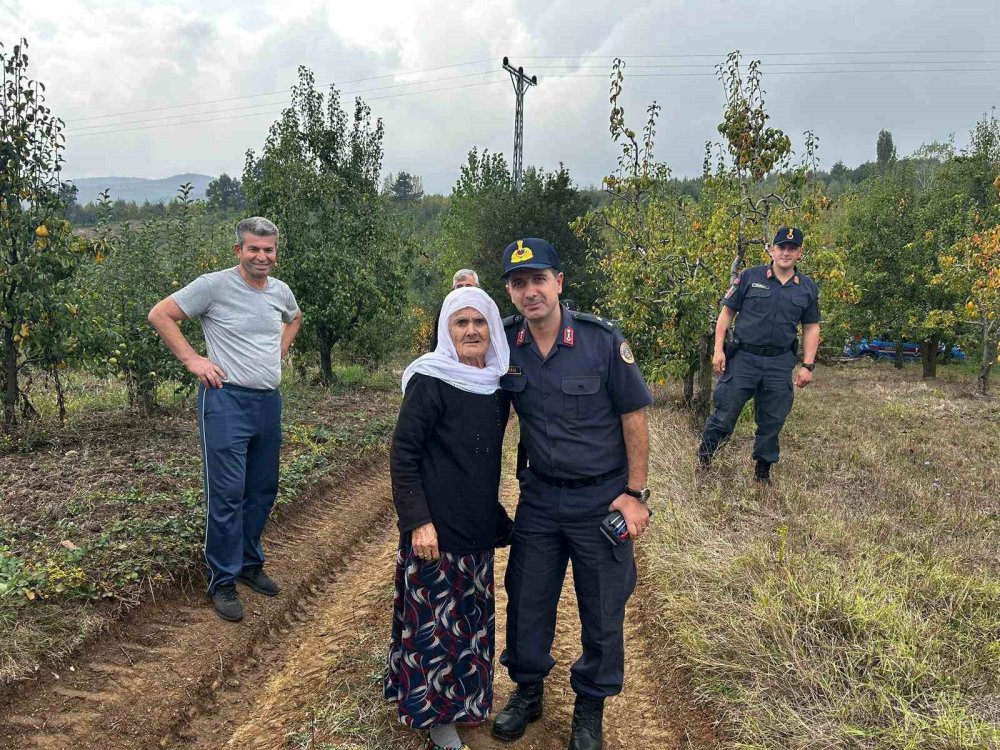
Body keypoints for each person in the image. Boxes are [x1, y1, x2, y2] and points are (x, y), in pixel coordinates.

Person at [492, 238, 653, 750]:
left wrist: (635, 494)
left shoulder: (600, 341)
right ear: (511, 293)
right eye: (519, 283)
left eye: (538, 279)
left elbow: (635, 417)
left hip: (600, 499)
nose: (529, 291)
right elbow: (459, 360)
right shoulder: (505, 342)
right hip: (539, 498)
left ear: (559, 282)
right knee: (527, 598)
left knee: (603, 608)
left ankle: (590, 706)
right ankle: (528, 691)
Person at [148, 217, 302, 622]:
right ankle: (223, 580)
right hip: (225, 401)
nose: (261, 256)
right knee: (228, 493)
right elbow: (161, 314)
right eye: (253, 248)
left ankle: (250, 564)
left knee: (263, 490)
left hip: (268, 402)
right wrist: (193, 359)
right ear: (238, 251)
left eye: (268, 249)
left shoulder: (280, 292)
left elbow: (295, 317)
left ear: (276, 252)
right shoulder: (213, 286)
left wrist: (277, 353)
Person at [385, 286, 513, 750]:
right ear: (447, 329)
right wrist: (418, 521)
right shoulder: (430, 379)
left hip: (475, 525)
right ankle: (436, 717)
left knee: (472, 619)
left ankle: (467, 703)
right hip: (434, 531)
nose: (472, 331)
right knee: (434, 624)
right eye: (461, 323)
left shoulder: (497, 383)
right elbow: (403, 455)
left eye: (480, 322)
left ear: (492, 327)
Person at [697, 226, 820, 483]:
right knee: (724, 413)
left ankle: (763, 472)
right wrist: (718, 349)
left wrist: (808, 365)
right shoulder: (749, 276)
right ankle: (705, 459)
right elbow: (727, 314)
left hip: (778, 362)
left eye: (792, 248)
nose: (786, 252)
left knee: (772, 420)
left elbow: (811, 327)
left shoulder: (807, 288)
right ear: (772, 250)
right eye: (781, 247)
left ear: (800, 253)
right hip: (743, 359)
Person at [429, 269, 481, 350]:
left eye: (468, 286)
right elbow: (437, 341)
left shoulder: (486, 310)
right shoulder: (444, 311)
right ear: (453, 290)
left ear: (477, 288)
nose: (464, 289)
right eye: (459, 286)